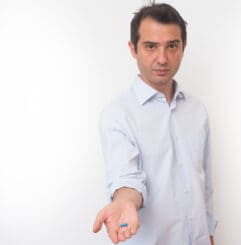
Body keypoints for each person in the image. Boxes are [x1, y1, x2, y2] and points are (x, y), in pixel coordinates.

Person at [93, 3, 217, 245]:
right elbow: (126, 178)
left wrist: (209, 234)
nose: (162, 58)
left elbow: (205, 185)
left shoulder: (197, 111)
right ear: (133, 49)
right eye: (151, 46)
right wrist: (124, 201)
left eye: (172, 46)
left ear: (183, 47)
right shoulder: (117, 114)